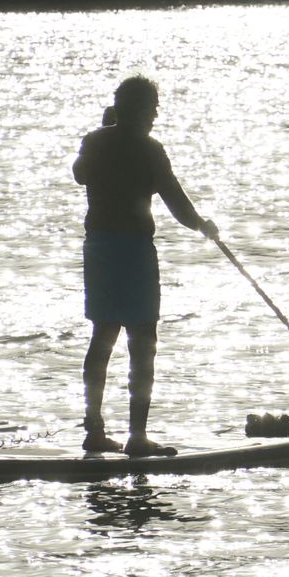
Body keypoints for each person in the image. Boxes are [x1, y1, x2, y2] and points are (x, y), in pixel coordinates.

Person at [73, 77, 218, 457]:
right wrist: (203, 226)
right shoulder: (150, 150)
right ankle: (136, 436)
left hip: (100, 249)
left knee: (102, 336)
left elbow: (79, 174)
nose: (156, 114)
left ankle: (95, 430)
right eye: (152, 107)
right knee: (142, 341)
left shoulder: (95, 141)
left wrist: (103, 133)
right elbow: (177, 202)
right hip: (134, 251)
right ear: (137, 110)